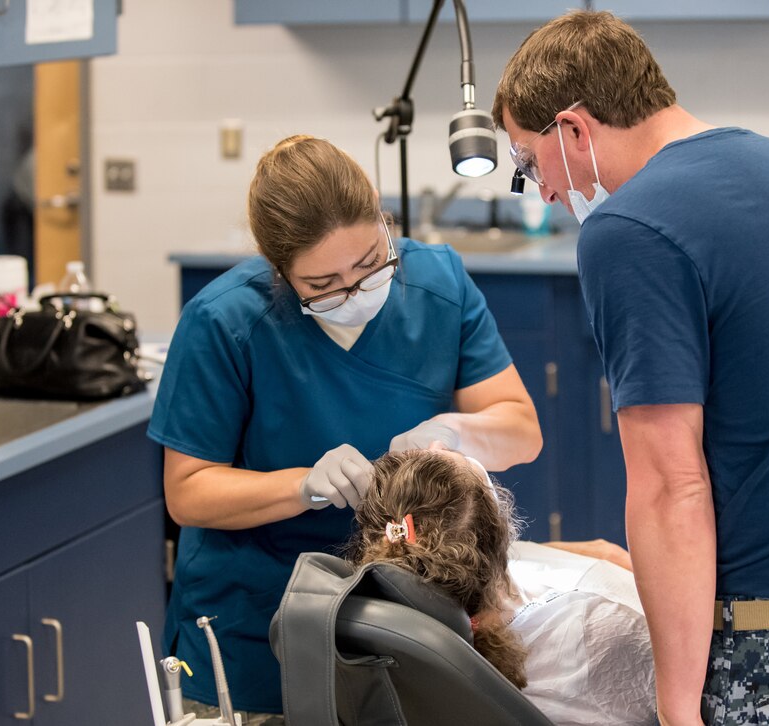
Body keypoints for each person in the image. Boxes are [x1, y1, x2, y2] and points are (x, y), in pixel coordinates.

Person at [492, 11, 769, 726]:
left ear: (574, 130)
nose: (542, 192)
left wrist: (677, 707)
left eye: (528, 161)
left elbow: (672, 488)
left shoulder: (630, 231)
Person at [147, 135, 542, 721]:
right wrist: (303, 486)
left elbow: (521, 429)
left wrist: (456, 431)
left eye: (368, 265)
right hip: (254, 636)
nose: (354, 293)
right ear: (280, 273)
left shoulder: (438, 285)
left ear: (384, 220)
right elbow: (188, 491)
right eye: (322, 286)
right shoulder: (224, 322)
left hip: (400, 629)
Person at [351, 447, 657, 726]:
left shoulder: (406, 626)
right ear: (499, 525)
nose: (434, 445)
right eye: (459, 454)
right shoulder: (601, 625)